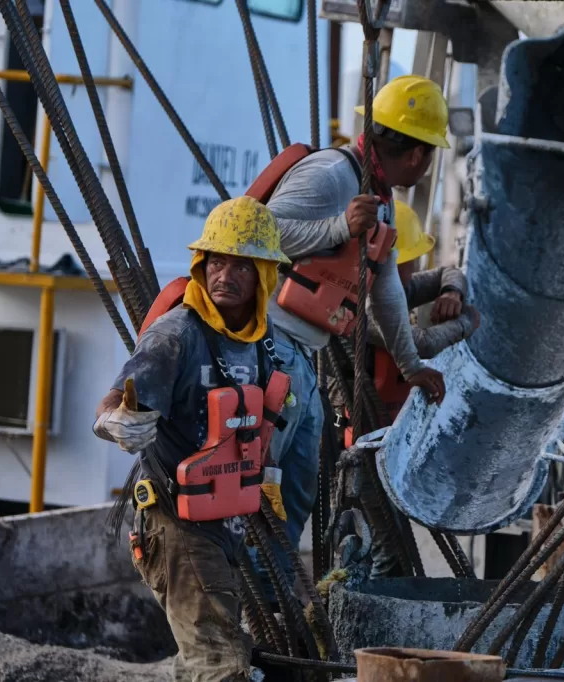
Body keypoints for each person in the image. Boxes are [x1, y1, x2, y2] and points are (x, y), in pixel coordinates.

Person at [259, 75, 452, 591]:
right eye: (430, 152)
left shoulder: (381, 201)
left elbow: (384, 292)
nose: (428, 163)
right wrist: (337, 229)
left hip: (304, 350)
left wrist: (411, 365)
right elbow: (259, 230)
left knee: (301, 482)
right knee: (263, 479)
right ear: (414, 154)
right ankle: (250, 594)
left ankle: (276, 598)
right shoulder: (330, 176)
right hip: (268, 345)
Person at [93, 196, 290, 682]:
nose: (225, 275)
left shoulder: (263, 344)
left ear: (264, 275)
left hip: (223, 525)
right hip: (173, 524)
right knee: (220, 664)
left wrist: (266, 486)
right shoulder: (175, 334)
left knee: (209, 657)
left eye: (240, 265)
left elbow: (257, 430)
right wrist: (116, 424)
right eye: (215, 262)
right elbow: (109, 407)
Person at [332, 199, 481, 444]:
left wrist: (451, 292)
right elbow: (423, 343)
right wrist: (466, 322)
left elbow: (448, 272)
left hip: (384, 419)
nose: (414, 269)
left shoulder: (401, 286)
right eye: (410, 261)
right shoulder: (364, 306)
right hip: (351, 424)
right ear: (390, 262)